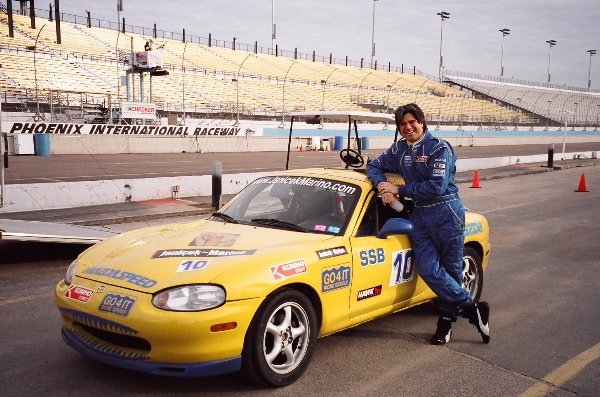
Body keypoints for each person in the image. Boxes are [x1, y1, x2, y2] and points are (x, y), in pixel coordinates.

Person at [366, 103, 490, 345]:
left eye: (412, 122)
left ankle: (445, 325)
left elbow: (437, 186)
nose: (408, 127)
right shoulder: (399, 149)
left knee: (452, 270)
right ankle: (473, 309)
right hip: (419, 214)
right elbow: (373, 166)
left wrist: (398, 188)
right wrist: (383, 188)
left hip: (446, 211)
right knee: (429, 270)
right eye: (403, 124)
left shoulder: (438, 148)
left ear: (421, 122)